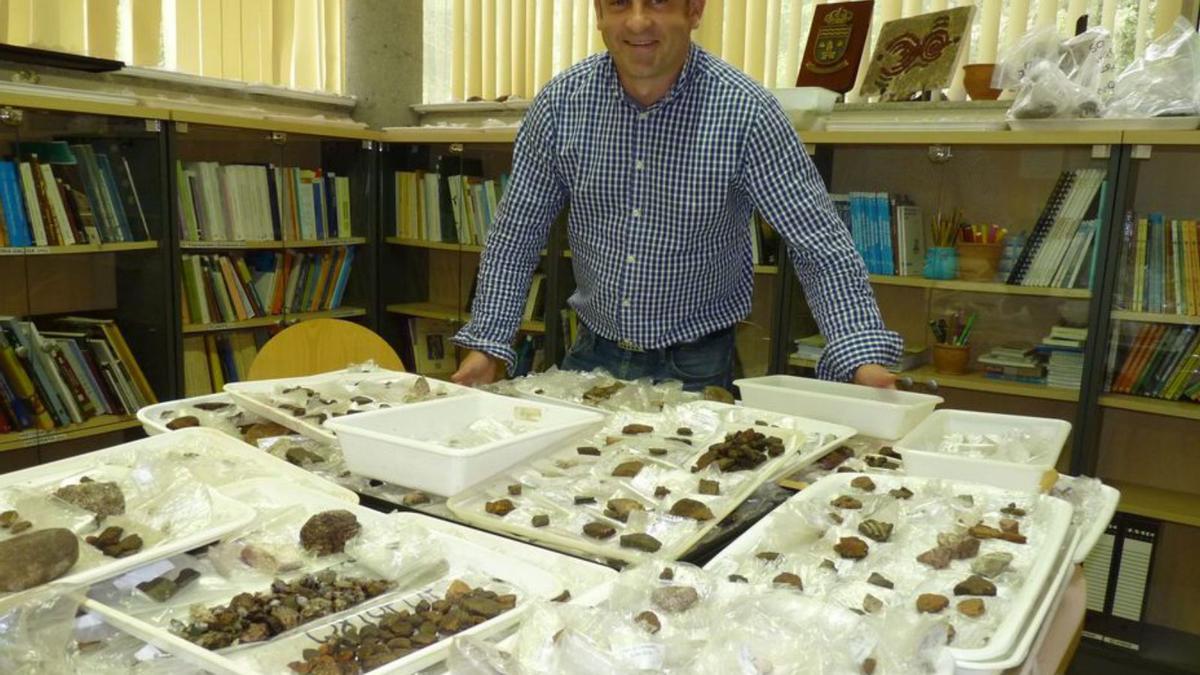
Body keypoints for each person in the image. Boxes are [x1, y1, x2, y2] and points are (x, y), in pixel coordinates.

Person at [451, 0, 901, 390]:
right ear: (599, 15)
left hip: (697, 367)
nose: (638, 22)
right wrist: (487, 345)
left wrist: (859, 355)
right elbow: (515, 237)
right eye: (620, 4)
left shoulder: (746, 113)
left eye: (660, 3)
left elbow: (819, 245)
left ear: (695, 10)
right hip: (589, 354)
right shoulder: (560, 105)